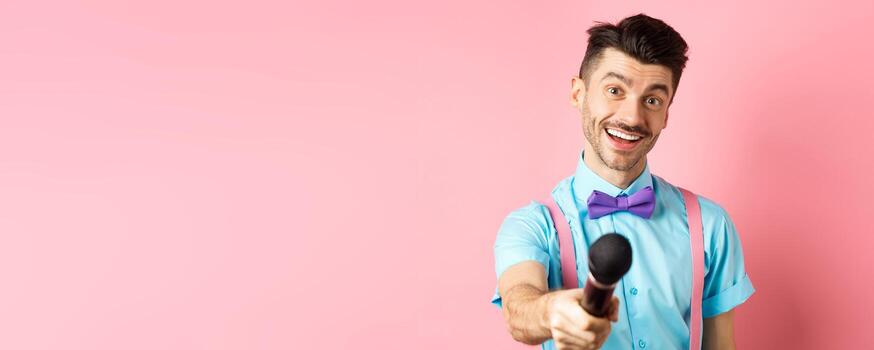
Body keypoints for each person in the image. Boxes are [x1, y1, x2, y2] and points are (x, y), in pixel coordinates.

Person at [490, 14, 755, 350]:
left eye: (653, 100)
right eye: (614, 90)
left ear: (667, 114)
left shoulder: (711, 225)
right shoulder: (532, 225)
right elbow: (519, 309)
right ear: (578, 93)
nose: (632, 117)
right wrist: (552, 311)